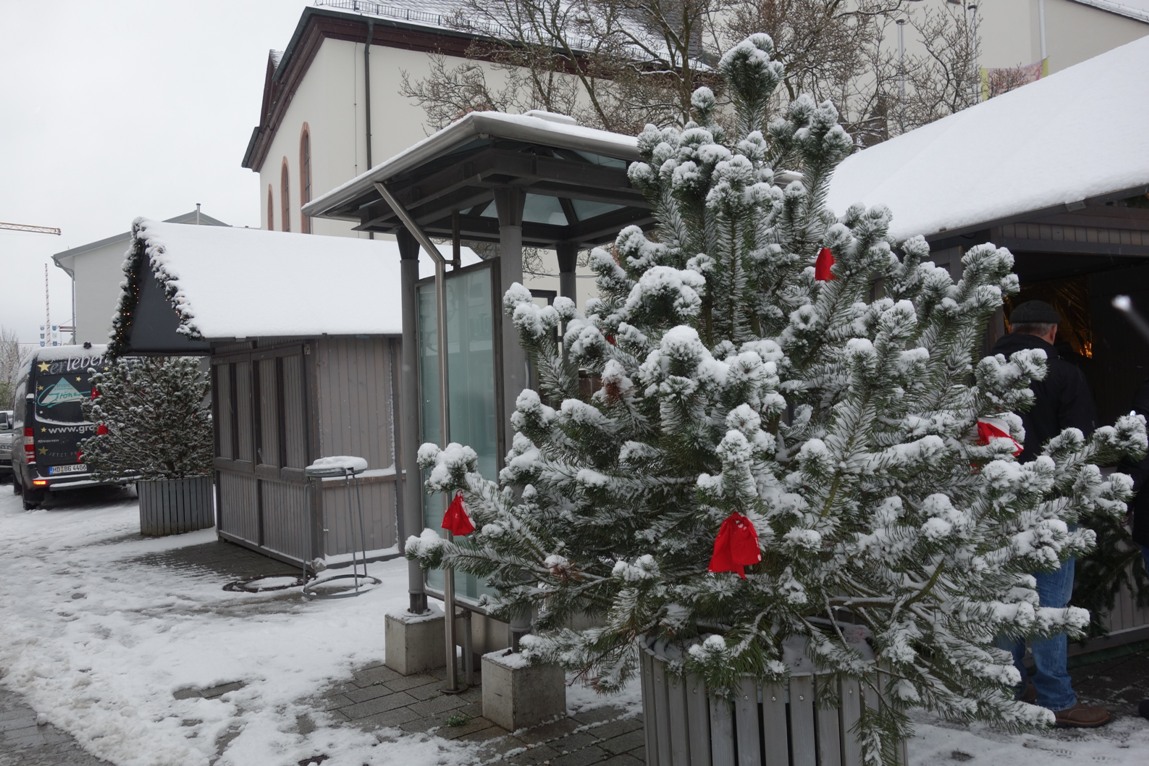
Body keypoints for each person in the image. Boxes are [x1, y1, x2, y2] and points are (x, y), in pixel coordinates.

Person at [990, 299, 1110, 728]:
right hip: (1051, 504)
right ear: (1053, 332)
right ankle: (1058, 699)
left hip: (996, 502)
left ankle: (1009, 689)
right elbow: (1078, 443)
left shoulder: (985, 374)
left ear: (1013, 328)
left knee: (1006, 596)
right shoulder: (1064, 374)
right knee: (1050, 602)